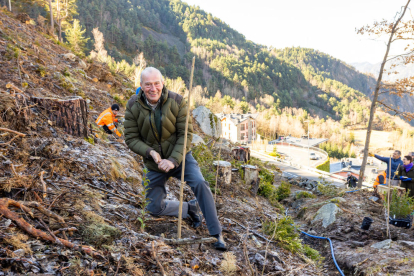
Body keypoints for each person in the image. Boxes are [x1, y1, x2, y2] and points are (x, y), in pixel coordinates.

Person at [123, 67, 226, 251]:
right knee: (153, 208)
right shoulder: (133, 105)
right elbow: (131, 138)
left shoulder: (177, 101)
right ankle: (189, 209)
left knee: (201, 184)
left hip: (180, 158)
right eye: (148, 84)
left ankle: (216, 233)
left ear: (162, 83)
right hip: (154, 164)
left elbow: (185, 135)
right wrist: (151, 153)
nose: (153, 88)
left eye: (156, 83)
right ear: (141, 86)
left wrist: (172, 160)